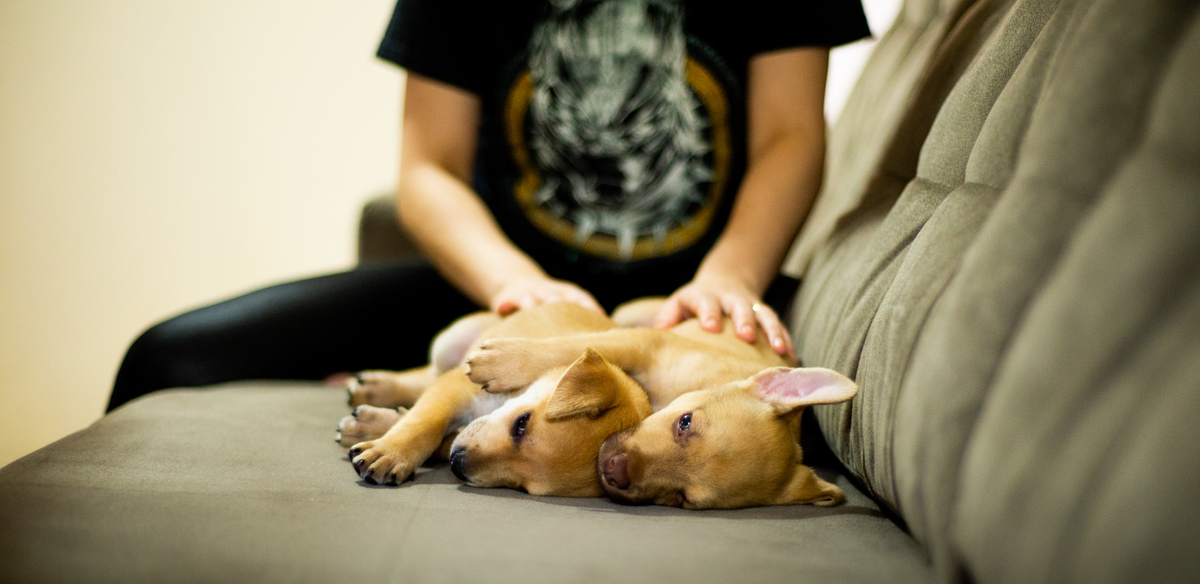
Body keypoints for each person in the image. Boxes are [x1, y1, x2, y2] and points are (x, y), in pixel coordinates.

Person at [107, 0, 870, 412]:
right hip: (499, 294)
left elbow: (793, 136)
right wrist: (515, 283)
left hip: (693, 304)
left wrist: (732, 275)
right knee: (167, 357)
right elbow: (427, 170)